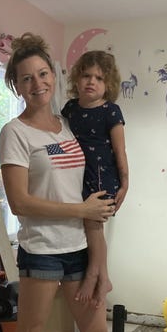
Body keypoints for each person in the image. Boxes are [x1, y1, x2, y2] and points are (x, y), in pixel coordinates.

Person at [0, 33, 139, 332]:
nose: (37, 83)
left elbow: (102, 162)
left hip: (79, 247)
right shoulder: (14, 132)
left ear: (54, 77)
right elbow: (20, 202)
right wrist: (79, 209)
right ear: (17, 86)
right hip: (42, 250)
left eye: (43, 73)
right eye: (26, 78)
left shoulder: (67, 122)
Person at [61, 51, 129, 308]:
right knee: (86, 225)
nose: (92, 82)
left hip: (102, 176)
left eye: (99, 78)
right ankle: (104, 278)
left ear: (108, 85)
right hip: (76, 176)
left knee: (93, 227)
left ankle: (95, 274)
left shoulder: (110, 111)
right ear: (77, 80)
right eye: (86, 76)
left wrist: (125, 183)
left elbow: (120, 151)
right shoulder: (70, 109)